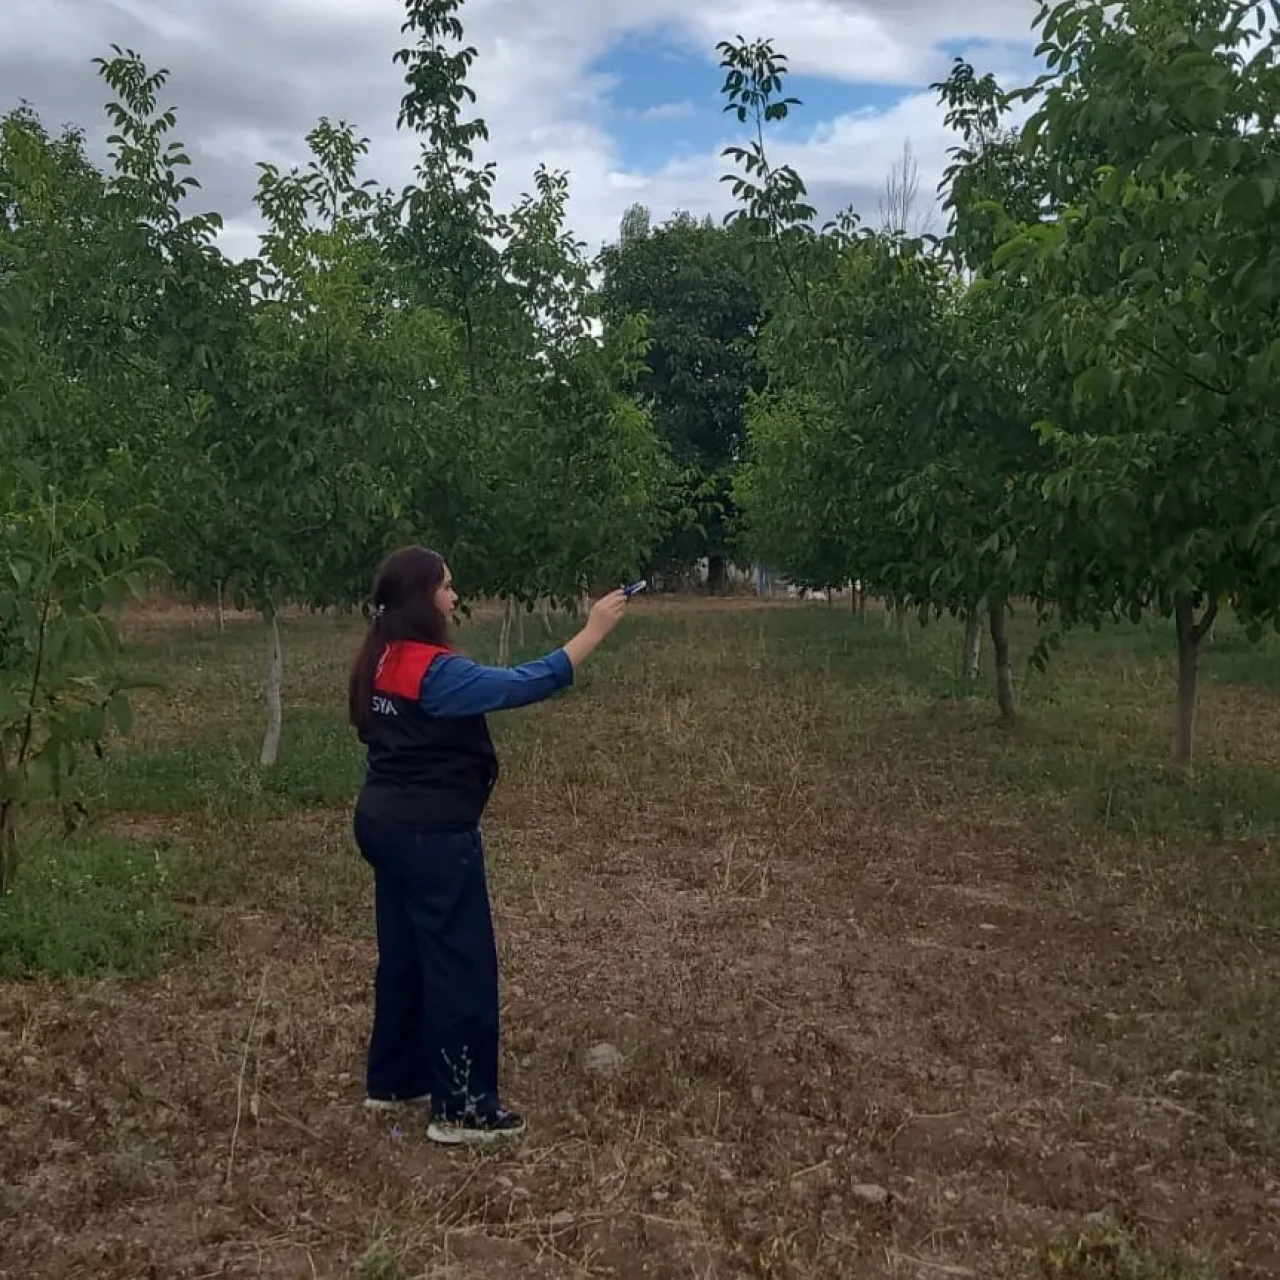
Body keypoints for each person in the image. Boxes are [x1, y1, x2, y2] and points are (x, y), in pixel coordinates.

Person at [346, 546, 630, 1146]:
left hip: (383, 824)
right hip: (431, 835)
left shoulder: (381, 657)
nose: (453, 597)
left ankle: (394, 1081)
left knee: (405, 955)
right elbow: (526, 682)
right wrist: (593, 631)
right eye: (446, 588)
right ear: (423, 599)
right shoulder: (435, 671)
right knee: (459, 964)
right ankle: (465, 1108)